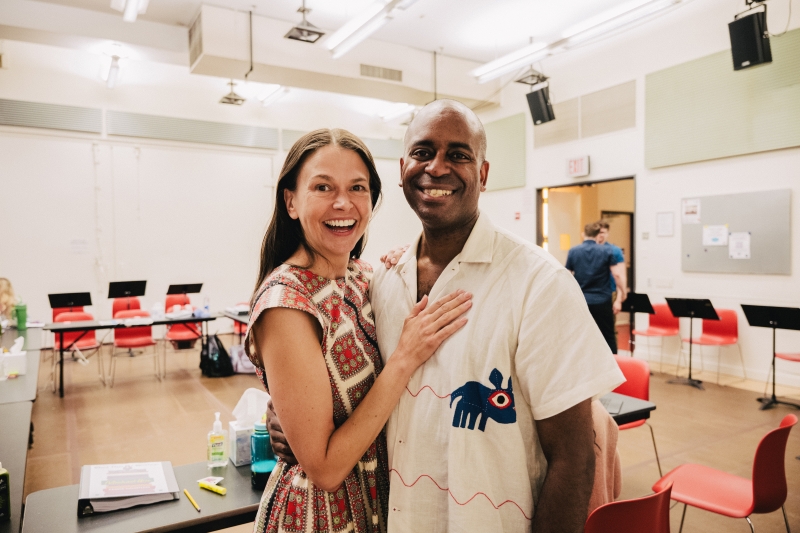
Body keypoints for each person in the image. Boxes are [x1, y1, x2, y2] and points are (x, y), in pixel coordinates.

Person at [268, 101, 625, 533]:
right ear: (403, 170)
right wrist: (287, 419)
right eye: (422, 152)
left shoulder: (539, 283)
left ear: (484, 173)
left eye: (458, 154)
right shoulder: (382, 281)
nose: (436, 168)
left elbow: (574, 457)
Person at [244, 128, 473, 533]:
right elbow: (326, 470)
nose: (342, 203)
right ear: (291, 201)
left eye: (357, 187)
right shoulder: (286, 303)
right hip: (320, 517)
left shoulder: (366, 276)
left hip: (382, 502)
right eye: (322, 187)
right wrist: (404, 358)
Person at [565, 223, 626, 353]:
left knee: (582, 334)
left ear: (583, 234)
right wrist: (623, 292)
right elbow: (616, 274)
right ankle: (614, 366)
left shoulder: (573, 251)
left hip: (582, 300)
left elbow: (567, 275)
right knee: (608, 334)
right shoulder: (606, 251)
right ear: (597, 235)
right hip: (602, 300)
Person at [596, 220, 628, 309]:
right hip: (591, 293)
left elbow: (620, 275)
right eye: (598, 232)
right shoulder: (587, 250)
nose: (600, 235)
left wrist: (619, 299)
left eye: (602, 232)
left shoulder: (615, 250)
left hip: (609, 292)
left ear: (607, 234)